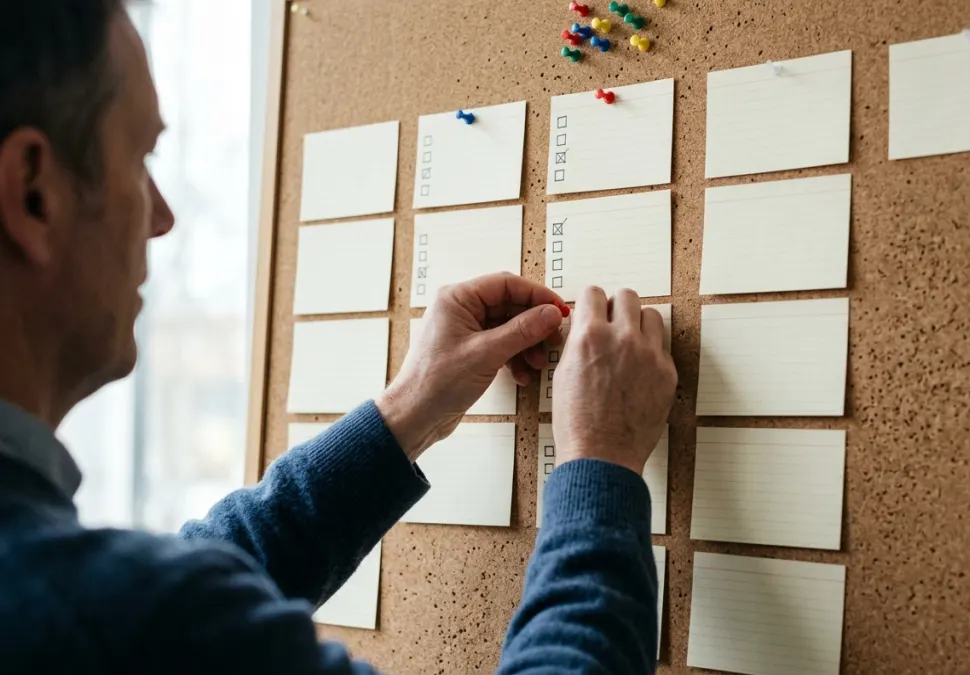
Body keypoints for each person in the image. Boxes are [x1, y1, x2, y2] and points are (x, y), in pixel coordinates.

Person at [0, 2, 678, 674]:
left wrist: (409, 408)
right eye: (140, 157)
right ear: (34, 192)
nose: (164, 216)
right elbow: (159, 617)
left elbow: (180, 611)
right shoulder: (91, 618)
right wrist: (600, 465)